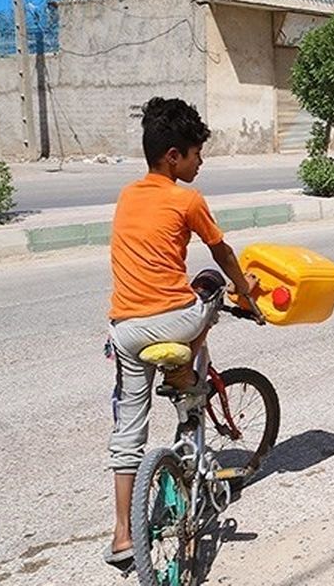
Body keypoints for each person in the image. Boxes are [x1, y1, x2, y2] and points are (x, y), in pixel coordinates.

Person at [104, 97, 258, 570]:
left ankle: (122, 536)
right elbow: (222, 252)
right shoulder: (187, 198)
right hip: (175, 321)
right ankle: (184, 375)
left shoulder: (128, 195)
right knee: (209, 289)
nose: (200, 161)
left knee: (127, 434)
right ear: (174, 156)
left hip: (124, 329)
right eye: (195, 153)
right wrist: (246, 295)